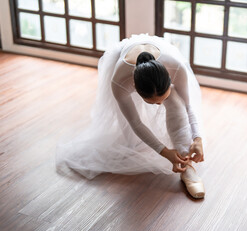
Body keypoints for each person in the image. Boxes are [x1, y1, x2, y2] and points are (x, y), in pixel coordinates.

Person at [56, 34, 205, 198]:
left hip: (163, 62)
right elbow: (136, 123)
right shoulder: (119, 82)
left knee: (177, 103)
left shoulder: (176, 67)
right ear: (135, 87)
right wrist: (165, 152)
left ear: (169, 78)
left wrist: (197, 139)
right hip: (125, 71)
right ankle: (139, 145)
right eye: (153, 103)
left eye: (162, 99)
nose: (159, 105)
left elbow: (188, 105)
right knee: (131, 141)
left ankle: (187, 166)